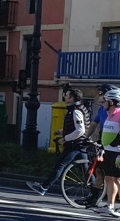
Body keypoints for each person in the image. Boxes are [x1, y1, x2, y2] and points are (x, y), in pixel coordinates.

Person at [27, 88, 90, 195]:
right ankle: (96, 192)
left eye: (67, 95)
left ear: (72, 98)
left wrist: (65, 138)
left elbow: (80, 130)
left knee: (60, 166)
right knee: (85, 170)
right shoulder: (79, 108)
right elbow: (76, 127)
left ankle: (43, 188)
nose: (64, 96)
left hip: (74, 144)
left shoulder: (76, 111)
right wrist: (62, 131)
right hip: (81, 144)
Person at [93, 89, 120, 217]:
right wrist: (102, 148)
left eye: (105, 101)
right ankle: (110, 206)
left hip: (117, 153)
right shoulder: (110, 114)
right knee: (108, 178)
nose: (103, 104)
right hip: (109, 151)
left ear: (111, 102)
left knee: (117, 179)